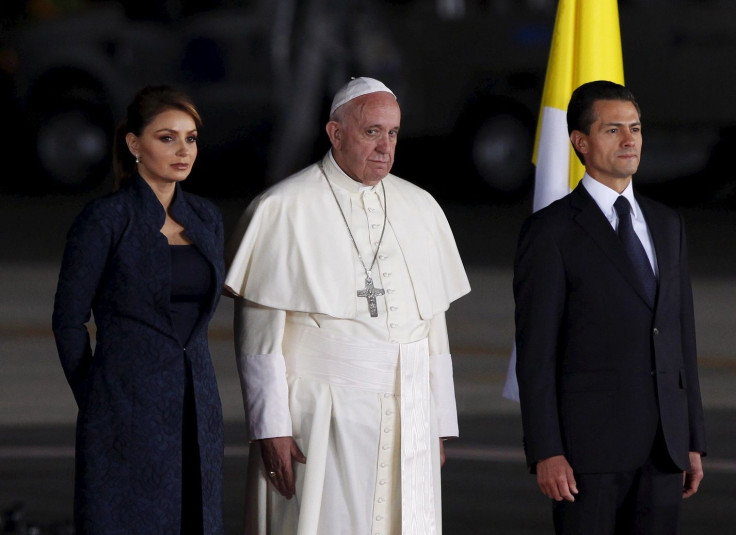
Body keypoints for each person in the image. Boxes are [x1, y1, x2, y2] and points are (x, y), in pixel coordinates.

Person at [225, 77, 470, 535]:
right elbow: (258, 337)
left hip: (408, 413)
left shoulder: (422, 207)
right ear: (335, 134)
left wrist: (436, 419)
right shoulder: (283, 208)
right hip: (322, 414)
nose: (385, 147)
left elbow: (434, 326)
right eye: (371, 132)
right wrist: (270, 427)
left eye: (393, 133)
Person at [514, 80, 706, 534]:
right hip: (586, 457)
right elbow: (536, 353)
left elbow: (682, 336)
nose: (629, 140)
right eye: (613, 129)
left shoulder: (667, 223)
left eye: (635, 129)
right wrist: (547, 449)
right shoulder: (551, 232)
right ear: (581, 142)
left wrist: (692, 438)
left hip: (664, 450)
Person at [52, 85, 225, 534]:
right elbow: (69, 319)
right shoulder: (105, 219)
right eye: (167, 137)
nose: (183, 150)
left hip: (197, 408)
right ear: (134, 143)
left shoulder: (206, 218)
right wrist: (96, 398)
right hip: (124, 413)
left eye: (190, 138)